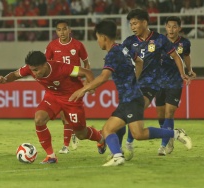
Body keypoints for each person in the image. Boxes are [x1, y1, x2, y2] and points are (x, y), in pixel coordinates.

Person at [69, 19, 192, 167]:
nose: (97, 42)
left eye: (97, 38)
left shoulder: (112, 54)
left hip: (131, 99)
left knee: (126, 132)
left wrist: (83, 89)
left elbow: (103, 77)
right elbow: (139, 61)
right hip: (131, 98)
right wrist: (136, 78)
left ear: (104, 37)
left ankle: (120, 154)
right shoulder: (123, 48)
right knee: (119, 131)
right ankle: (119, 154)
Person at [0, 51, 106, 164]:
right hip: (53, 96)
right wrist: (5, 79)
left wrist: (90, 86)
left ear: (45, 64)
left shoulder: (62, 68)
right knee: (39, 119)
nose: (34, 73)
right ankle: (51, 156)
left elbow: (86, 72)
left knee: (81, 134)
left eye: (36, 70)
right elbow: (15, 74)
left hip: (72, 99)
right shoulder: (31, 69)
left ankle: (101, 137)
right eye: (32, 70)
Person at [116, 9, 191, 160]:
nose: (132, 27)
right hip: (135, 83)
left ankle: (159, 145)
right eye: (131, 24)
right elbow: (120, 56)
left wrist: (184, 72)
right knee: (132, 112)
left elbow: (176, 56)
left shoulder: (159, 39)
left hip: (152, 83)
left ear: (144, 22)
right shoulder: (130, 41)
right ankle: (131, 141)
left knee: (142, 109)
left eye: (135, 23)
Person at [45, 19, 91, 154]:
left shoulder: (78, 45)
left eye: (64, 29)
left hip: (74, 84)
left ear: (69, 30)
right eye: (59, 30)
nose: (62, 32)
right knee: (64, 116)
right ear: (56, 32)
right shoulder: (52, 46)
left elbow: (86, 63)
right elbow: (46, 65)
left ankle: (75, 134)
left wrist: (87, 81)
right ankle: (66, 145)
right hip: (59, 86)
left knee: (71, 116)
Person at [155, 16, 197, 156]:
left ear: (179, 28)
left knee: (169, 112)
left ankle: (163, 145)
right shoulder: (159, 41)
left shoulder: (184, 43)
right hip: (159, 82)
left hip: (175, 81)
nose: (171, 29)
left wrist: (189, 70)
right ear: (165, 27)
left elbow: (186, 57)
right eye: (169, 26)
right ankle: (170, 135)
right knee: (161, 115)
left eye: (174, 27)